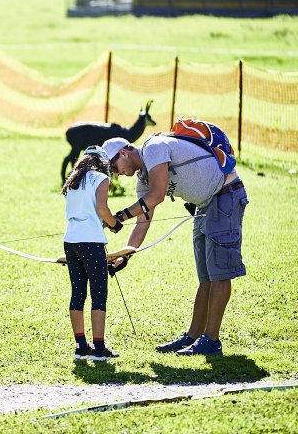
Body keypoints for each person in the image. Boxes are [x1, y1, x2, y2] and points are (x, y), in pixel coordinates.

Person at [102, 134, 248, 356]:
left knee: (219, 273)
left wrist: (118, 217)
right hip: (205, 205)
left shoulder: (153, 148)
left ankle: (211, 341)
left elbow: (157, 195)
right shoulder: (142, 180)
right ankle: (193, 337)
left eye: (114, 167)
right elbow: (143, 222)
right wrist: (125, 255)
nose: (117, 174)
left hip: (225, 196)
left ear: (123, 153)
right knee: (206, 276)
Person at [61, 146, 124, 361]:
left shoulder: (73, 181)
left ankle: (81, 346)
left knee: (77, 294)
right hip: (91, 243)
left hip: (70, 242)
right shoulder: (100, 178)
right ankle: (99, 348)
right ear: (103, 163)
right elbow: (102, 210)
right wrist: (115, 224)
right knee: (99, 294)